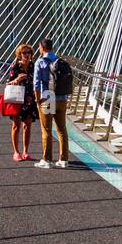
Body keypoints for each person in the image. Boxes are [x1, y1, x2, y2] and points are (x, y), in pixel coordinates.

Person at [35, 36, 70, 168]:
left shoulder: (40, 62)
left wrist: (38, 100)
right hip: (62, 98)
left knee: (47, 130)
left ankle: (46, 160)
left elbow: (36, 84)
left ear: (42, 48)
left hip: (48, 98)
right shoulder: (59, 60)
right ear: (52, 47)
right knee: (62, 129)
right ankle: (63, 159)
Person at [5, 43, 38, 162]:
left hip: (29, 99)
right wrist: (17, 79)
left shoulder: (33, 66)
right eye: (24, 53)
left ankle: (25, 151)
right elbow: (8, 83)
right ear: (20, 54)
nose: (27, 55)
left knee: (27, 125)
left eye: (29, 53)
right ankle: (16, 152)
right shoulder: (15, 66)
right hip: (17, 99)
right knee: (16, 126)